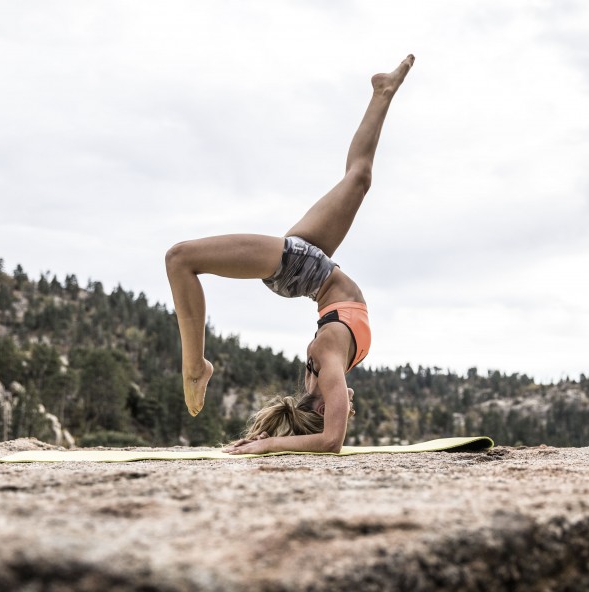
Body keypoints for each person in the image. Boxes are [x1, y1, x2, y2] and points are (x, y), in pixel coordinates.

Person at [164, 54, 415, 454]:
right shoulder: (330, 368)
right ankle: (382, 90)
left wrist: (267, 448)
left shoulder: (325, 359)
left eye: (338, 406)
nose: (349, 407)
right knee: (359, 178)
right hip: (315, 267)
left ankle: (196, 367)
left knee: (179, 258)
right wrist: (274, 440)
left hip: (300, 270)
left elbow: (331, 442)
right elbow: (327, 431)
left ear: (321, 403)